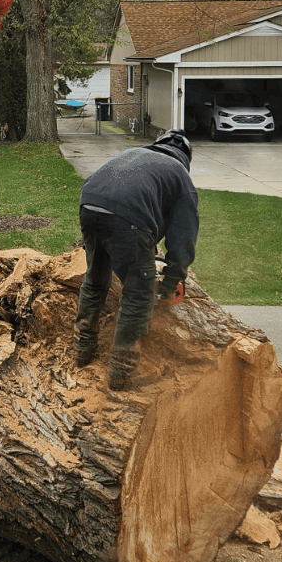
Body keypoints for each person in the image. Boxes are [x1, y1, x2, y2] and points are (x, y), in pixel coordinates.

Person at [73, 129, 199, 391]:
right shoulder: (180, 177)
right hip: (127, 218)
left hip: (89, 203)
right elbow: (183, 239)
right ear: (186, 157)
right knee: (138, 292)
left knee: (96, 278)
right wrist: (172, 279)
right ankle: (121, 370)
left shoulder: (135, 154)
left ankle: (82, 348)